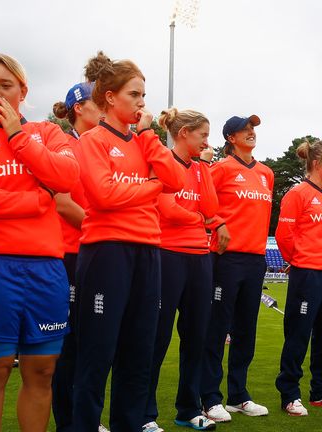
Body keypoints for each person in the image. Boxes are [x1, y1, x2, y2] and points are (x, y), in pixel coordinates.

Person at [0, 53, 80, 432]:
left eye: (5, 85)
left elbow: (65, 177)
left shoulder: (48, 133)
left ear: (23, 90)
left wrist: (17, 135)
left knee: (42, 369)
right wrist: (35, 200)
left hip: (47, 268)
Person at [72, 51, 185, 432]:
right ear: (110, 98)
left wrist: (150, 135)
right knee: (97, 353)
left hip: (148, 253)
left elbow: (178, 181)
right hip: (107, 252)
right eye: (135, 95)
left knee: (139, 353)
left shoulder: (143, 142)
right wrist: (152, 187)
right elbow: (103, 196)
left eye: (143, 95)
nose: (141, 103)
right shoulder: (93, 141)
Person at [144, 108, 219, 431]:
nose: (207, 141)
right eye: (202, 134)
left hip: (200, 257)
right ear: (184, 132)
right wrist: (198, 218)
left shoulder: (201, 168)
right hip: (167, 255)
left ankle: (188, 409)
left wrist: (203, 171)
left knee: (196, 337)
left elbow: (212, 208)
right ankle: (145, 414)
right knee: (156, 338)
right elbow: (168, 209)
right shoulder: (163, 161)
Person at [200, 114, 274, 423]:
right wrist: (217, 226)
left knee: (246, 331)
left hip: (256, 259)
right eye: (245, 129)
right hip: (226, 259)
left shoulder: (267, 173)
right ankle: (209, 398)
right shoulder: (220, 169)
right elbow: (203, 204)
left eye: (253, 128)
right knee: (217, 330)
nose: (251, 133)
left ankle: (238, 396)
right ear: (231, 137)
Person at [274, 140, 322, 416]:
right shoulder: (297, 194)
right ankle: (289, 394)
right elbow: (284, 236)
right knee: (298, 335)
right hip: (307, 274)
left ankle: (321, 391)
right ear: (316, 163)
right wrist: (300, 261)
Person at [49, 79, 105, 432]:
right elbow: (62, 202)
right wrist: (104, 229)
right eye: (98, 102)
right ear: (79, 107)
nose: (104, 108)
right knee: (69, 346)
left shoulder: (102, 146)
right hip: (71, 254)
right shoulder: (64, 145)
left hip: (99, 253)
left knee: (94, 344)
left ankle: (86, 419)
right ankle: (69, 421)